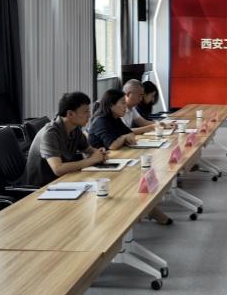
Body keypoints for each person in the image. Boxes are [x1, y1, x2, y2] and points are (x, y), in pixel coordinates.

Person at [89, 88, 172, 225]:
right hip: (99, 168)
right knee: (133, 178)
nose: (125, 107)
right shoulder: (101, 121)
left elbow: (130, 134)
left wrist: (124, 137)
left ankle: (147, 208)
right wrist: (123, 138)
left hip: (114, 160)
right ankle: (148, 210)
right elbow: (113, 145)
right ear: (111, 106)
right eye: (122, 103)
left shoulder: (116, 119)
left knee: (139, 172)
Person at [25, 91, 108, 187]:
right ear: (70, 114)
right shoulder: (50, 133)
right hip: (42, 187)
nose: (89, 115)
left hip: (62, 180)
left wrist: (98, 152)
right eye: (86, 111)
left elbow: (87, 149)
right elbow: (58, 169)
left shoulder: (75, 128)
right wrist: (92, 160)